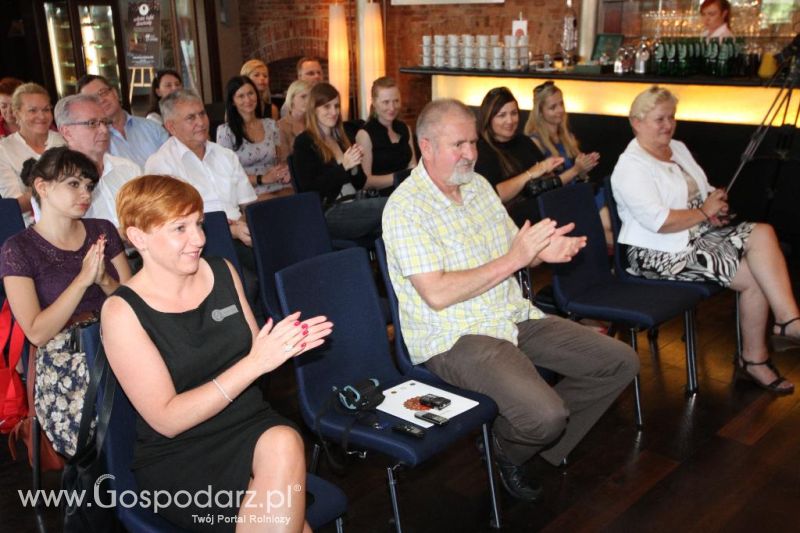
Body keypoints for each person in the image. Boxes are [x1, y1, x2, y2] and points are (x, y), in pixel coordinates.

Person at [382, 98, 639, 501]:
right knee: (547, 414)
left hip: (511, 314)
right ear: (427, 147)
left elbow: (513, 251)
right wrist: (517, 259)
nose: (470, 154)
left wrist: (543, 252)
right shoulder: (406, 209)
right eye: (458, 145)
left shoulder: (478, 187)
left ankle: (514, 443)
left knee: (618, 362)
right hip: (455, 334)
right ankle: (521, 440)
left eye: (473, 143)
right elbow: (437, 293)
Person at [102, 174, 332, 531]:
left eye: (198, 224)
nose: (198, 239)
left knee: (286, 439)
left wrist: (281, 347)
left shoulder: (222, 271)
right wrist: (256, 363)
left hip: (247, 421)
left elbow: (256, 355)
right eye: (180, 228)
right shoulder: (121, 312)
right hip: (181, 454)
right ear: (137, 237)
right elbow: (167, 419)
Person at [611, 86, 799, 395]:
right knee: (754, 273)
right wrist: (703, 211)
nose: (668, 125)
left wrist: (713, 204)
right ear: (636, 122)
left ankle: (783, 323)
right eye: (659, 119)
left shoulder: (678, 147)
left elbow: (700, 187)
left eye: (671, 117)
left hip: (695, 235)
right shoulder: (629, 166)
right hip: (656, 252)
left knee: (763, 233)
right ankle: (760, 354)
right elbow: (659, 222)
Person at [0, 146, 131, 456]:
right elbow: (36, 332)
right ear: (42, 187)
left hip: (116, 336)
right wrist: (83, 280)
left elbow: (135, 302)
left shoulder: (102, 230)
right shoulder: (18, 249)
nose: (84, 193)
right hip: (65, 357)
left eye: (88, 186)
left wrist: (105, 281)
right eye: (73, 184)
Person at [144, 89, 256, 248]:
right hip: (198, 244)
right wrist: (228, 230)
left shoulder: (225, 155)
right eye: (191, 118)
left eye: (202, 114)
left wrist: (245, 225)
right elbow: (173, 223)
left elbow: (249, 205)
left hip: (241, 234)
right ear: (171, 127)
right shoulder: (161, 164)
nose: (201, 122)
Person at [293, 82, 387, 241]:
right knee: (393, 205)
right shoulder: (304, 142)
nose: (334, 112)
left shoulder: (342, 139)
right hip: (330, 211)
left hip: (354, 203)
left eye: (336, 106)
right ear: (314, 110)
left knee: (392, 225)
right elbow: (310, 189)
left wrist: (355, 166)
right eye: (327, 107)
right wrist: (344, 167)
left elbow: (360, 183)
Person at [524, 81, 612, 244]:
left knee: (611, 210)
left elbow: (578, 177)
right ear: (540, 112)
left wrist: (583, 168)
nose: (560, 111)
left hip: (577, 193)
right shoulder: (535, 142)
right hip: (558, 201)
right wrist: (575, 170)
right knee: (606, 220)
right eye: (553, 107)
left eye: (561, 104)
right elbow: (546, 186)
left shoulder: (567, 137)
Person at [474, 87, 563, 228]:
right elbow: (495, 194)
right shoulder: (481, 150)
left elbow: (546, 173)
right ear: (488, 118)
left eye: (513, 113)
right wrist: (530, 173)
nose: (510, 120)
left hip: (541, 209)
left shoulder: (524, 142)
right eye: (502, 115)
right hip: (507, 221)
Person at [55, 94, 141, 228]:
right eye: (92, 123)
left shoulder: (128, 168)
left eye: (105, 122)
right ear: (67, 132)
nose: (104, 130)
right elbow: (61, 239)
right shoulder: (53, 181)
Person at [216, 76, 292, 198]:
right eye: (241, 96)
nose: (248, 99)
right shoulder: (225, 132)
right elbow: (227, 175)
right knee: (275, 206)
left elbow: (279, 160)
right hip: (248, 190)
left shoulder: (271, 124)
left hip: (277, 184)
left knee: (300, 201)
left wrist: (284, 170)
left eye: (251, 93)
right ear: (233, 102)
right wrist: (262, 179)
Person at [0, 83, 65, 225]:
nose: (41, 116)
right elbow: (15, 205)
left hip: (69, 222)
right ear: (16, 113)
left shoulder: (64, 141)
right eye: (32, 110)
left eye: (46, 109)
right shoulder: (3, 150)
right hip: (29, 229)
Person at [77, 74, 168, 168]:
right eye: (93, 99)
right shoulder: (94, 144)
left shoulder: (152, 127)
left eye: (103, 92)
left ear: (115, 93)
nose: (101, 100)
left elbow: (174, 160)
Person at [354, 76, 416, 194]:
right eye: (386, 102)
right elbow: (365, 182)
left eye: (396, 101)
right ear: (374, 102)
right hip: (380, 199)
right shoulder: (365, 134)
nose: (392, 107)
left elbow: (413, 167)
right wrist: (399, 177)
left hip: (406, 194)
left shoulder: (405, 129)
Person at [277, 80, 311, 156]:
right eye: (303, 97)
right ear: (292, 99)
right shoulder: (280, 126)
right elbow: (284, 159)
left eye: (310, 97)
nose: (308, 100)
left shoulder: (313, 122)